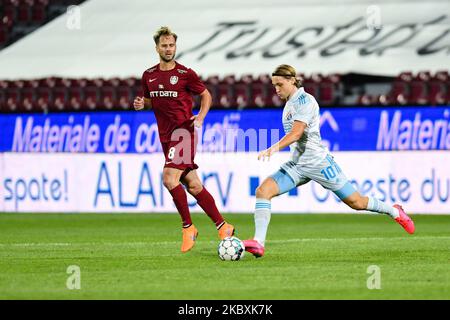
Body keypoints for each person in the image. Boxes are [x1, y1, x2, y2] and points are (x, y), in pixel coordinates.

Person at [243, 64, 415, 258]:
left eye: (279, 84)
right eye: (274, 85)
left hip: (319, 163)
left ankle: (394, 211)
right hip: (298, 164)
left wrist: (274, 147)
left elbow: (297, 133)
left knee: (356, 202)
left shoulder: (306, 101)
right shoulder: (290, 102)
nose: (276, 89)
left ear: (292, 80)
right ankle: (258, 243)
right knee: (263, 191)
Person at [134, 26, 234, 253]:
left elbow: (205, 94)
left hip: (183, 133)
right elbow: (152, 101)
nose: (168, 49)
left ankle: (188, 227)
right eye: (164, 46)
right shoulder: (148, 75)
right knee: (193, 184)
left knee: (169, 179)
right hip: (166, 137)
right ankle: (223, 225)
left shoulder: (185, 74)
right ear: (157, 47)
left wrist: (201, 116)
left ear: (175, 46)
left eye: (171, 45)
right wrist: (143, 105)